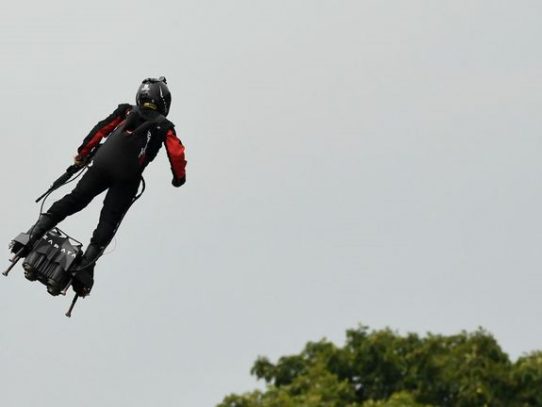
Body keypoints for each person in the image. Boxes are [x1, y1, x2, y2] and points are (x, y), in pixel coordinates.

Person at [14, 77, 187, 296]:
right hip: (127, 178)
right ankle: (85, 268)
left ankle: (35, 232)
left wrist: (82, 155)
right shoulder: (164, 125)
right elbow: (177, 153)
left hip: (102, 165)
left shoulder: (126, 111)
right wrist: (178, 179)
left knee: (74, 200)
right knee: (109, 220)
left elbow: (100, 130)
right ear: (163, 102)